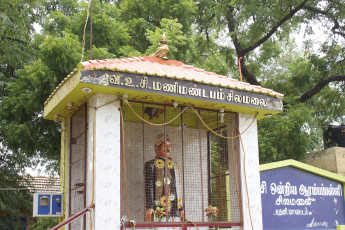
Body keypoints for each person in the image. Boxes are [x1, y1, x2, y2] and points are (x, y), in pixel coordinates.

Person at [145, 134, 184, 222]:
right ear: (157, 147)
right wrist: (149, 207)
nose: (168, 148)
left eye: (169, 146)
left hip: (174, 206)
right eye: (165, 145)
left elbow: (177, 186)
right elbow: (149, 187)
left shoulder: (174, 165)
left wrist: (181, 208)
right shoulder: (150, 165)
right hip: (158, 206)